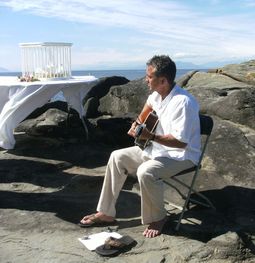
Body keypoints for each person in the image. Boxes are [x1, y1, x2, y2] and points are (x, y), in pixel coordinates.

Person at [79, 55, 201, 238]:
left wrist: (150, 136)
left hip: (181, 156)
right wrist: (136, 125)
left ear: (163, 80)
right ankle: (106, 213)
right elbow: (144, 114)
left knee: (146, 171)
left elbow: (181, 142)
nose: (146, 79)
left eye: (149, 77)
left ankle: (159, 218)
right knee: (117, 156)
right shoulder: (156, 95)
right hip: (157, 150)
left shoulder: (183, 102)